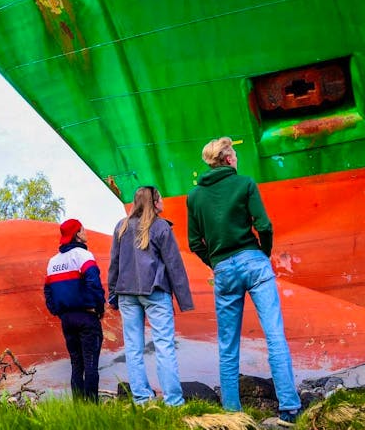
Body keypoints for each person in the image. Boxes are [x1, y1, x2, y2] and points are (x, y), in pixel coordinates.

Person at [186, 137, 301, 424]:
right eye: (234, 155)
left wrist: (214, 261)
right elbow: (264, 225)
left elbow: (194, 242)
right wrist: (263, 254)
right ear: (227, 159)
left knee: (228, 344)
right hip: (254, 261)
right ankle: (288, 408)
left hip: (223, 268)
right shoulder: (245, 183)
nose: (236, 159)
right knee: (274, 335)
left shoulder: (194, 197)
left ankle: (231, 412)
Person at [108, 186, 194, 406]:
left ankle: (141, 399)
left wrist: (112, 295)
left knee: (133, 347)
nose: (163, 201)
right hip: (155, 291)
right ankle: (173, 401)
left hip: (126, 293)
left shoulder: (122, 226)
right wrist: (184, 300)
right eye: (161, 198)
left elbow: (114, 264)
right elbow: (175, 265)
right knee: (164, 345)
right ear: (154, 203)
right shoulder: (160, 227)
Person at [43, 218, 106, 401]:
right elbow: (94, 283)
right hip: (87, 317)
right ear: (77, 234)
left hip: (67, 320)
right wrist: (99, 308)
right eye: (83, 229)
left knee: (76, 364)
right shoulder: (83, 256)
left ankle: (79, 409)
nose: (86, 232)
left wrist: (57, 311)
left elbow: (48, 290)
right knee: (91, 364)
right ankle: (92, 409)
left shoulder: (53, 262)